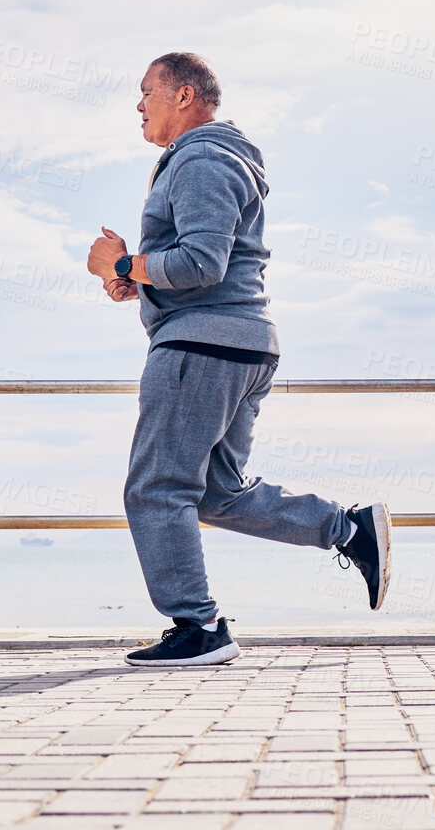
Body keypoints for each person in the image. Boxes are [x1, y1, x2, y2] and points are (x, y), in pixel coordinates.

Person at [86, 52, 390, 667]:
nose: (138, 105)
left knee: (156, 488)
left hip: (202, 347)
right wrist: (138, 283)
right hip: (239, 341)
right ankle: (349, 529)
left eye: (147, 91)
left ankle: (199, 628)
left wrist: (122, 264)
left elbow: (202, 264)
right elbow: (201, 265)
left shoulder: (199, 159)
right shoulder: (213, 161)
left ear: (185, 96)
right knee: (217, 493)